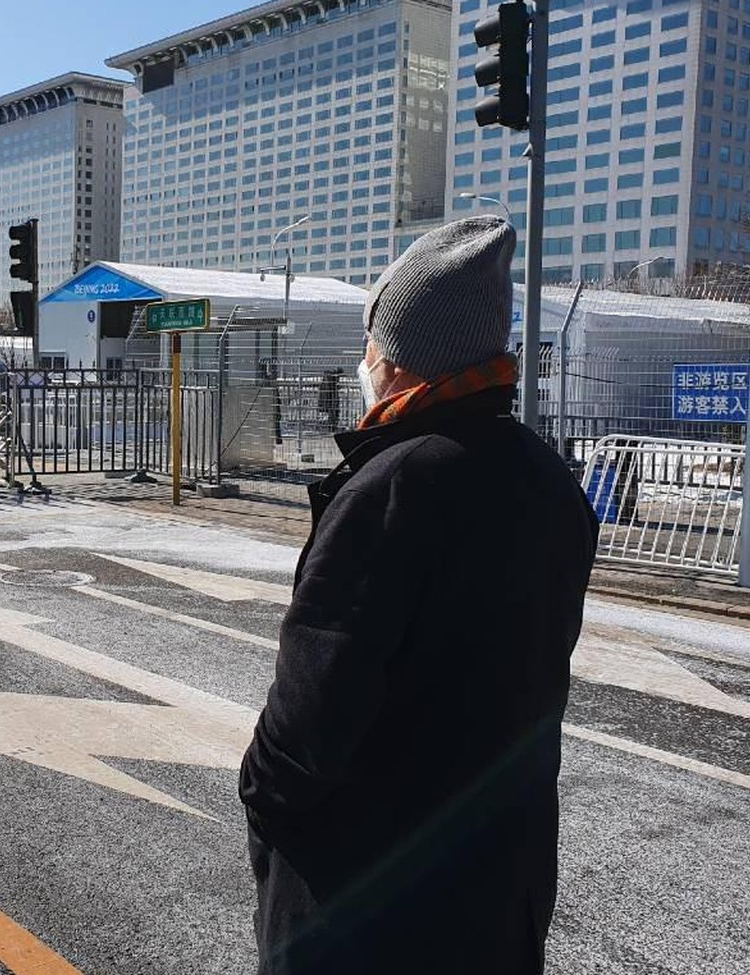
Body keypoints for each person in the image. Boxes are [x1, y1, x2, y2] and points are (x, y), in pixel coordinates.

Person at [239, 216, 598, 975]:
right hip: (501, 889)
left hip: (368, 909)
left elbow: (307, 722)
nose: (365, 359)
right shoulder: (548, 482)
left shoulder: (393, 487)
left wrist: (261, 803)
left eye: (375, 340)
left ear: (402, 358)